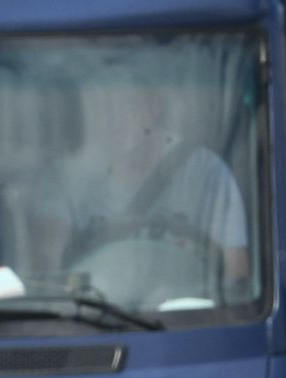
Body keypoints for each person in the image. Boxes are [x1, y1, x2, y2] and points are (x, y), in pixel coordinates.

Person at [45, 61, 255, 313]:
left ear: (153, 106)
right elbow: (44, 268)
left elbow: (235, 276)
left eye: (123, 105)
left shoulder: (208, 174)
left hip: (186, 323)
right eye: (99, 107)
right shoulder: (67, 177)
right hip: (87, 320)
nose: (111, 118)